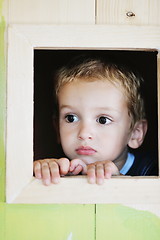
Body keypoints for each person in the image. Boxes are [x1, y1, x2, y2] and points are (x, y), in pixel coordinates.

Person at [33, 55, 158, 185]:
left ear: (135, 133)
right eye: (71, 118)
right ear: (57, 129)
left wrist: (120, 182)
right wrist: (42, 175)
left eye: (103, 120)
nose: (84, 133)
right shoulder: (61, 169)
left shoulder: (152, 170)